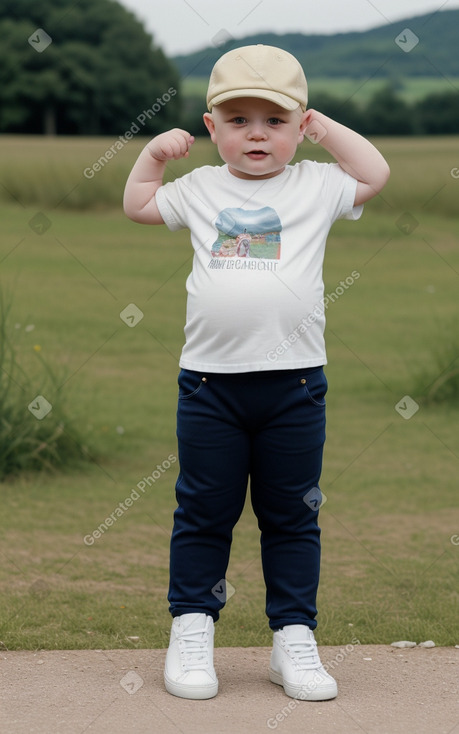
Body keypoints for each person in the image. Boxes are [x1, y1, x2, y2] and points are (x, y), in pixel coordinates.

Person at [123, 44, 390, 702]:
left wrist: (324, 131)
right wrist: (153, 155)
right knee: (204, 513)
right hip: (210, 387)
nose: (256, 135)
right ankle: (191, 629)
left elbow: (374, 173)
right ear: (212, 129)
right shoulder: (200, 188)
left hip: (294, 387)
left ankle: (292, 639)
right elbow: (138, 204)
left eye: (274, 121)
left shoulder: (317, 185)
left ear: (300, 126)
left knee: (292, 517)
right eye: (237, 120)